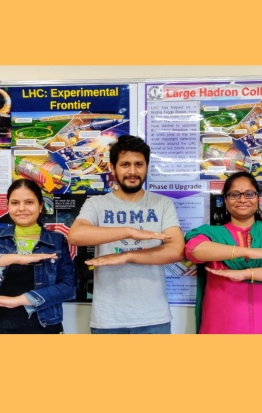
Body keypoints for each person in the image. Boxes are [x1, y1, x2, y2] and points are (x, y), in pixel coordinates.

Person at [68, 135, 185, 334]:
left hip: (154, 317)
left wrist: (127, 256)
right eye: (125, 164)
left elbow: (177, 250)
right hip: (108, 319)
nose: (132, 171)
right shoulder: (97, 204)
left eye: (139, 164)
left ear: (147, 166)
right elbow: (76, 235)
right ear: (113, 169)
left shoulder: (162, 204)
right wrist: (130, 232)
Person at [185, 171, 262, 334]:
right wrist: (246, 251)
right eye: (235, 194)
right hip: (220, 327)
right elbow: (194, 250)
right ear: (225, 200)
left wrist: (247, 273)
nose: (242, 199)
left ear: (258, 198)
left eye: (249, 194)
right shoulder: (211, 234)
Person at [0, 179, 74, 334]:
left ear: (40, 206)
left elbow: (67, 287)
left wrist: (20, 300)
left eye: (29, 202)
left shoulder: (57, 240)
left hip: (44, 324)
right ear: (8, 206)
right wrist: (15, 258)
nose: (21, 208)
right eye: (15, 203)